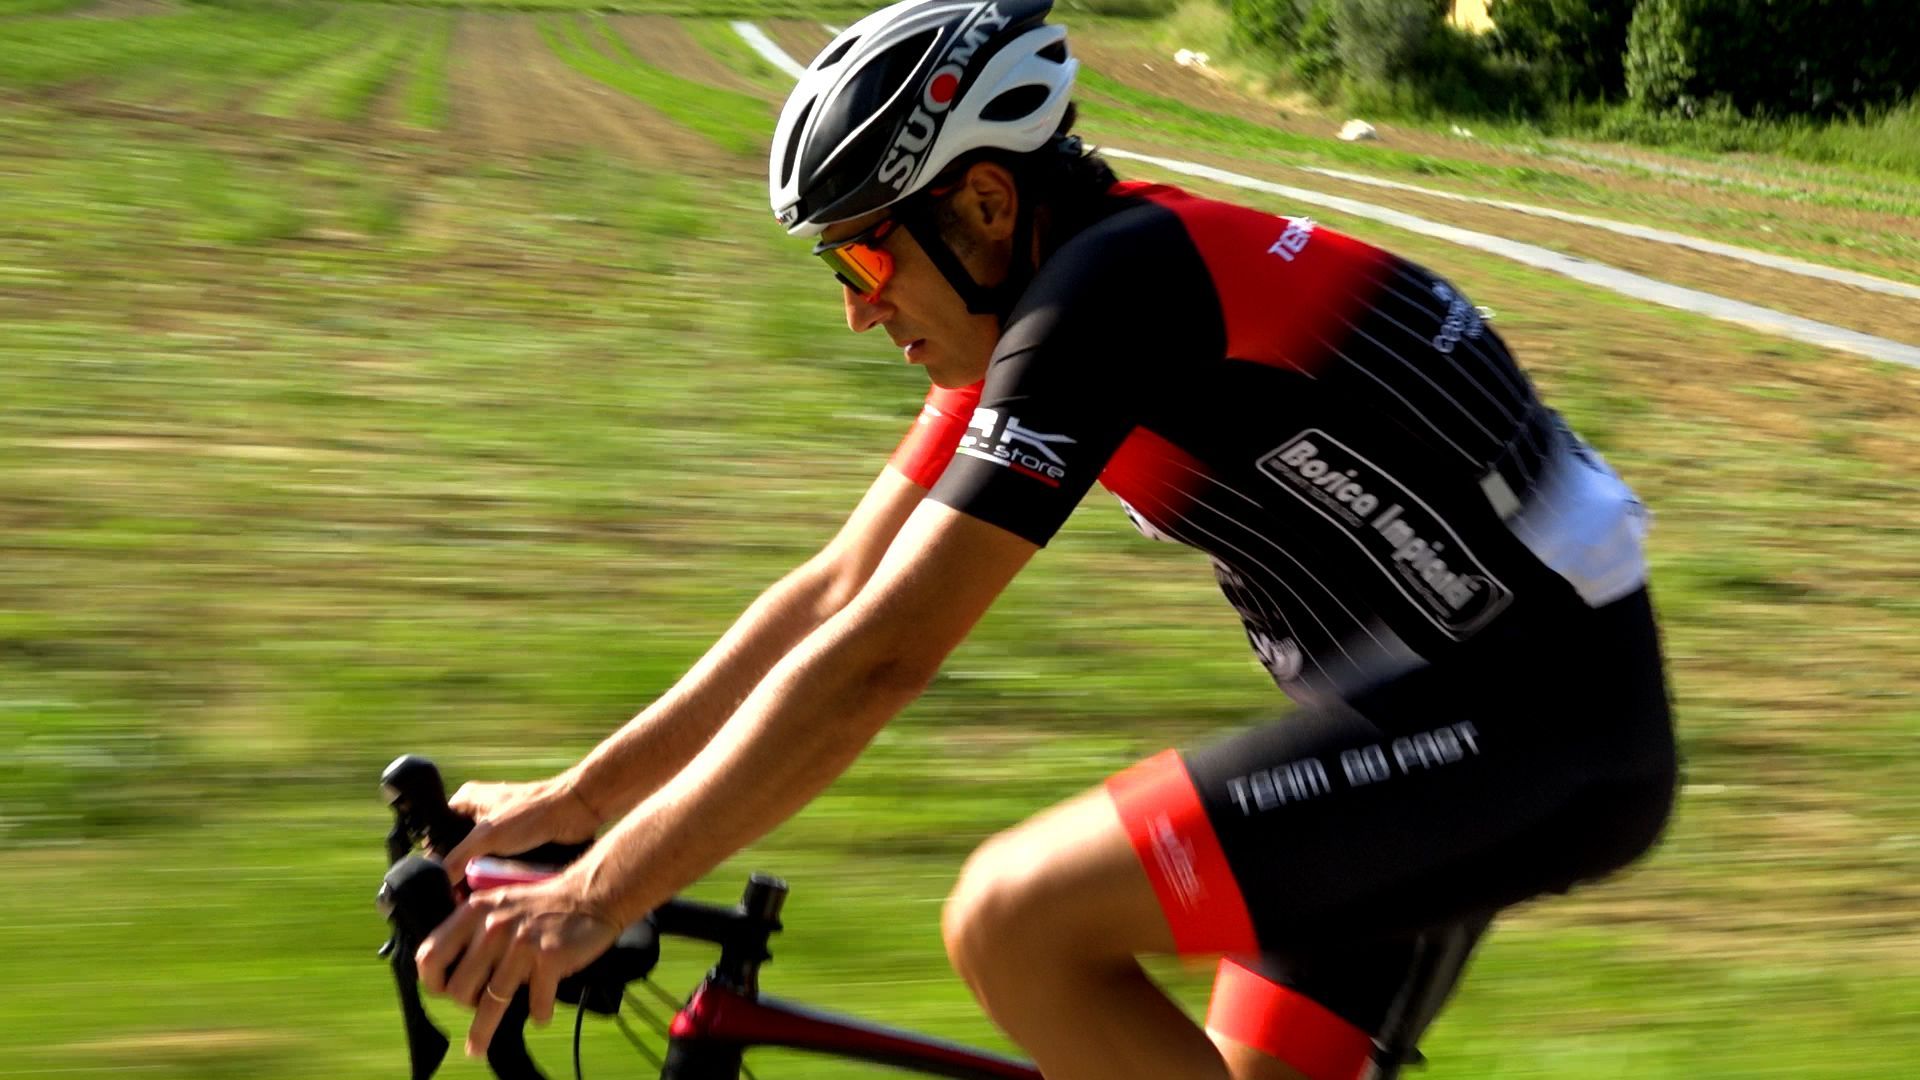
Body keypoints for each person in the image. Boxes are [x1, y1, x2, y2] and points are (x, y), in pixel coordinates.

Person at [413, 1, 1679, 1077]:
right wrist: (584, 802)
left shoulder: (1114, 296)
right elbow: (838, 592)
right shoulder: (1052, 303)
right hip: (1447, 735)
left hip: (1534, 729)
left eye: (864, 261)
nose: (858, 313)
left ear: (983, 199)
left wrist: (603, 893)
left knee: (1013, 920)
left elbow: (882, 659)